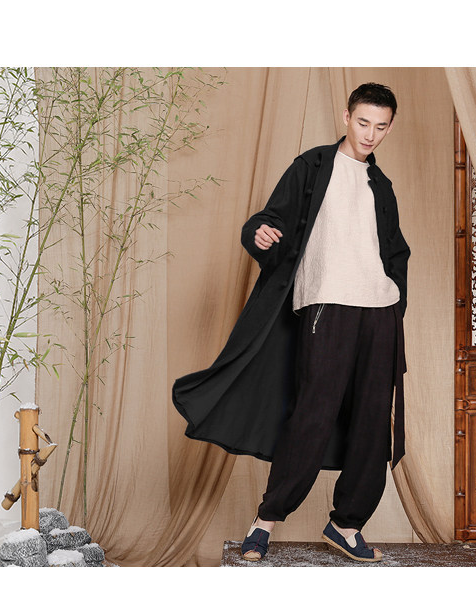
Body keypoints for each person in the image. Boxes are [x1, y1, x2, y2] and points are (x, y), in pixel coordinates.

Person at [172, 82, 410, 563]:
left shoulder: (381, 186)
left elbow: (395, 251)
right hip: (326, 304)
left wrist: (395, 295)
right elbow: (271, 219)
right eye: (363, 122)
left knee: (371, 423)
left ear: (389, 128)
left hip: (379, 312)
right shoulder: (312, 166)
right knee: (312, 413)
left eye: (380, 127)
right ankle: (265, 522)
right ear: (347, 117)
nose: (370, 134)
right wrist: (258, 233)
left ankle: (347, 524)